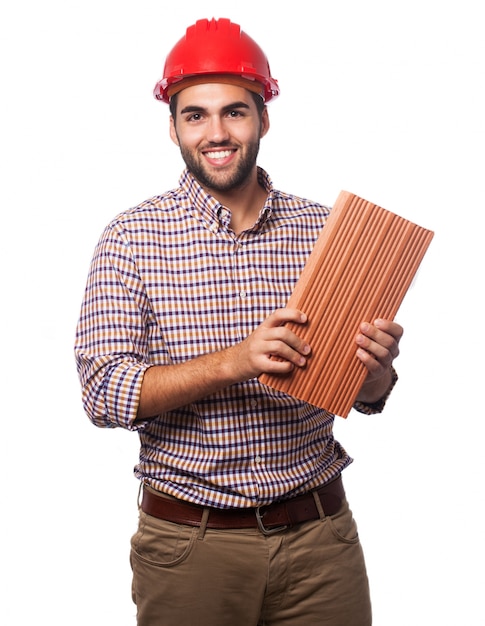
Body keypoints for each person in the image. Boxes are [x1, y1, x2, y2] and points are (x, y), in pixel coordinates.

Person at [74, 17, 402, 626]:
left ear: (264, 118)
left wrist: (377, 372)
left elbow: (366, 394)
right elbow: (102, 393)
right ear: (172, 127)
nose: (216, 132)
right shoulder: (131, 239)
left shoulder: (326, 231)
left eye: (235, 112)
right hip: (191, 548)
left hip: (321, 542)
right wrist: (235, 362)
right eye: (195, 115)